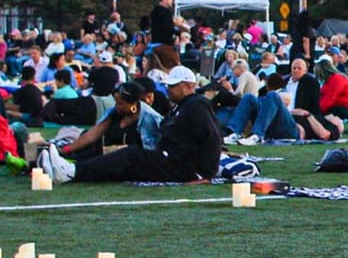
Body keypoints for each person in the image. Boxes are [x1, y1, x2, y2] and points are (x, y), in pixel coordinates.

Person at [46, 66, 221, 184]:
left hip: (181, 166)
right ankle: (71, 169)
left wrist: (205, 174)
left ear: (188, 86)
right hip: (172, 160)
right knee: (125, 160)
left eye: (173, 86)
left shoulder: (195, 105)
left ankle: (72, 172)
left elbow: (211, 138)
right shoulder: (182, 107)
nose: (168, 90)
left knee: (131, 155)